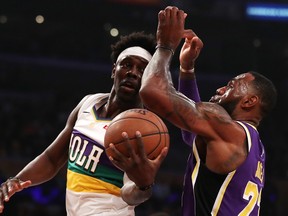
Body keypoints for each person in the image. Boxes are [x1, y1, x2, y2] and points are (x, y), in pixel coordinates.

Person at [0, 31, 169, 216]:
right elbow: (52, 159)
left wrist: (143, 186)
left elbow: (130, 194)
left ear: (147, 80)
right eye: (127, 64)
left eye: (142, 69)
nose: (133, 73)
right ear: (114, 70)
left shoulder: (143, 129)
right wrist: (16, 180)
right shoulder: (88, 103)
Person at [139, 6, 277, 215]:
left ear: (250, 101)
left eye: (231, 85)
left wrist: (165, 46)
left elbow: (151, 91)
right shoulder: (253, 146)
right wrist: (186, 69)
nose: (220, 88)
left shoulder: (230, 131)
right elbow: (192, 134)